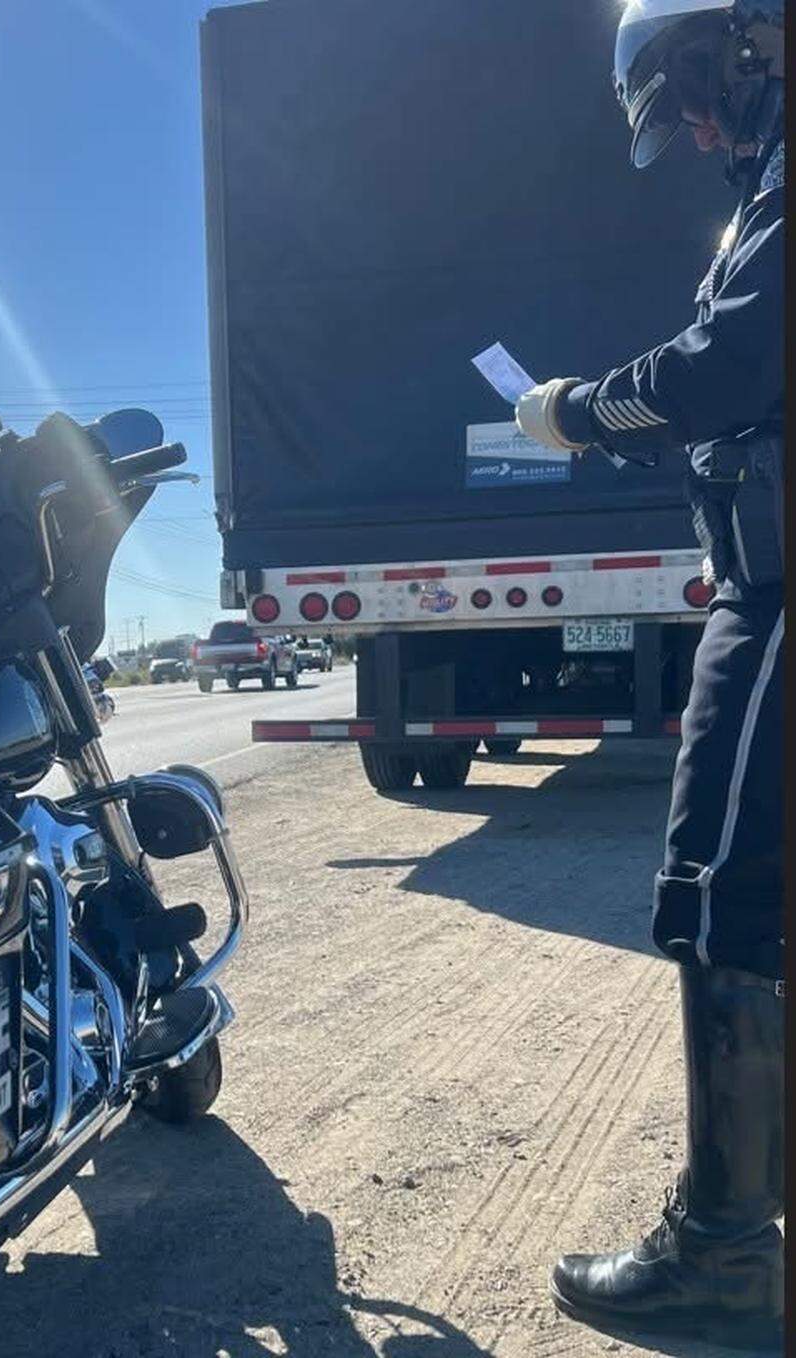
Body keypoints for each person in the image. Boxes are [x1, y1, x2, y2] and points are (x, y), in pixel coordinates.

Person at [513, 0, 785, 1347]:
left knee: (722, 886)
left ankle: (726, 1254)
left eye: (686, 92)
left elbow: (729, 367)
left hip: (784, 599)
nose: (687, 126)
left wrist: (570, 408)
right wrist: (623, 432)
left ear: (742, 47)